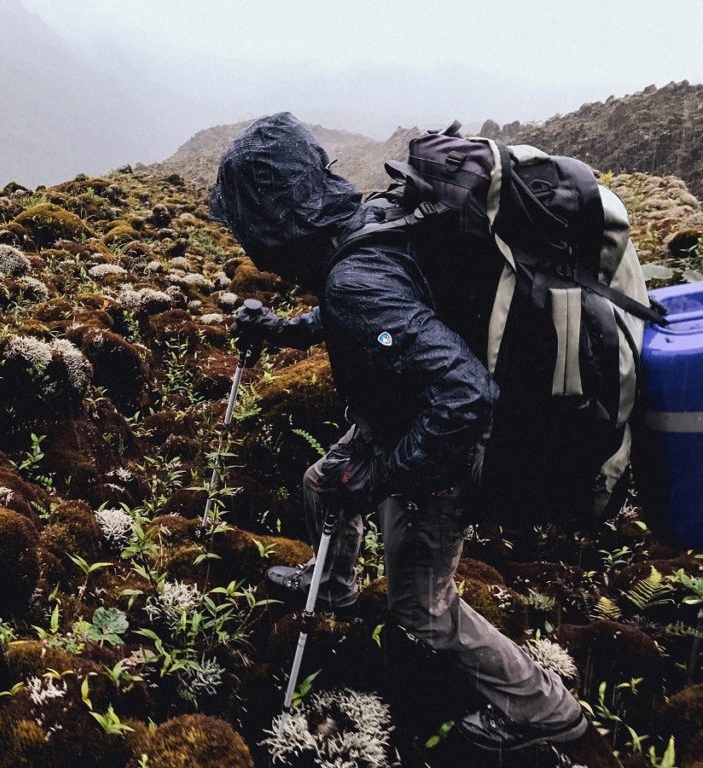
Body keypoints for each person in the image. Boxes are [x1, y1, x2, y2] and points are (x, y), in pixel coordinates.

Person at [208, 112, 588, 752]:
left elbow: (466, 396)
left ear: (271, 221)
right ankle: (334, 584)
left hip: (435, 457)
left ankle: (546, 710)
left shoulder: (357, 279)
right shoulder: (365, 226)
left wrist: (381, 477)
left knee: (424, 609)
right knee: (323, 481)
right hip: (401, 420)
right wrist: (280, 329)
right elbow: (376, 317)